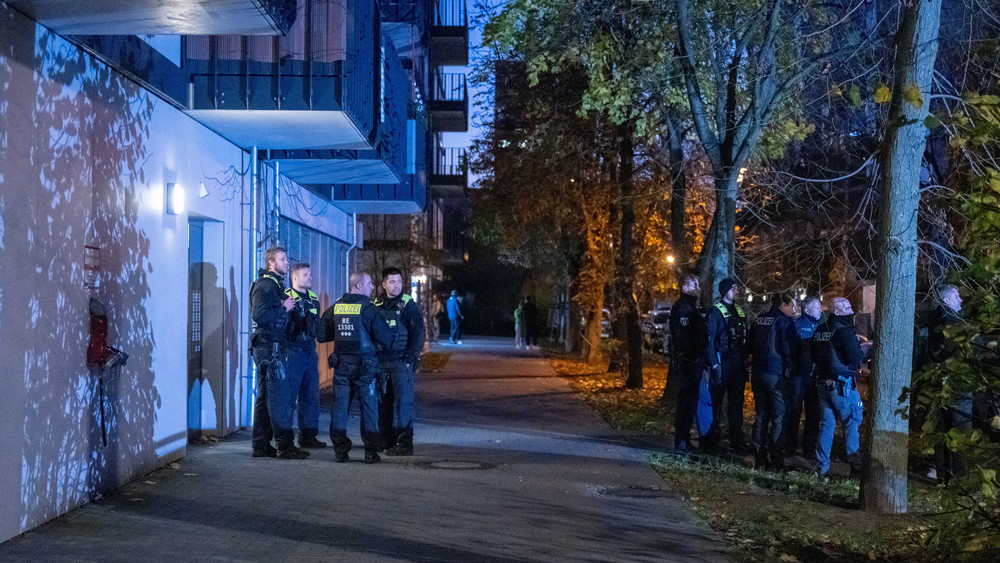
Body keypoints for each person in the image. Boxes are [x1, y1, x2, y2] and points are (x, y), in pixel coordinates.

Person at [319, 272, 394, 463]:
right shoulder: (369, 309)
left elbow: (321, 335)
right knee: (369, 408)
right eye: (369, 282)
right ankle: (370, 452)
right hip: (365, 367)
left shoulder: (336, 307)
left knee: (339, 407)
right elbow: (387, 339)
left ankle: (340, 451)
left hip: (342, 366)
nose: (372, 286)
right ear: (359, 286)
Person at [250, 246, 308, 459]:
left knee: (266, 399)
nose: (286, 262)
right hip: (269, 348)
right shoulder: (266, 285)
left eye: (286, 259)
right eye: (282, 259)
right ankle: (285, 446)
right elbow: (259, 315)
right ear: (271, 262)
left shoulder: (274, 285)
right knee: (280, 398)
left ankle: (261, 445)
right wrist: (284, 307)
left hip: (270, 347)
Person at [374, 267, 426, 456]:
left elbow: (419, 331)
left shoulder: (408, 304)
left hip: (401, 361)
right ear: (384, 284)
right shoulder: (376, 304)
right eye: (393, 282)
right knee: (382, 403)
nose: (397, 285)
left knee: (403, 403)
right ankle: (385, 440)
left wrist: (412, 355)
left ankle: (404, 443)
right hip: (380, 362)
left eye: (399, 281)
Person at [811, 297, 864, 477]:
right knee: (852, 423)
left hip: (823, 385)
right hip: (843, 387)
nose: (851, 311)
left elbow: (814, 356)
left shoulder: (819, 330)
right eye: (848, 308)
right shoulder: (843, 332)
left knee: (826, 426)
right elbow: (855, 357)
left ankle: (821, 469)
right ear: (840, 312)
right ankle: (856, 468)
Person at [748, 293, 798, 470]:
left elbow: (749, 344)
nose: (794, 310)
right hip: (776, 374)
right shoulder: (783, 322)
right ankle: (777, 461)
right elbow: (788, 348)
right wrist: (792, 366)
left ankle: (759, 459)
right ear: (782, 305)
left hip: (758, 373)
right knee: (779, 417)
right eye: (792, 306)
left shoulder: (759, 319)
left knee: (761, 415)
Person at [927, 284, 970, 481]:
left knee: (941, 428)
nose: (960, 300)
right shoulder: (955, 324)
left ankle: (943, 474)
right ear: (946, 301)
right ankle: (961, 478)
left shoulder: (932, 323)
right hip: (959, 385)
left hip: (939, 384)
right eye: (956, 296)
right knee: (960, 429)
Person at [703, 278, 749, 454]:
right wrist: (714, 364)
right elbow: (709, 340)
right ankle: (711, 440)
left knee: (737, 404)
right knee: (716, 403)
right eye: (734, 288)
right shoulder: (716, 312)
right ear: (725, 291)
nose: (737, 290)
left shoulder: (738, 310)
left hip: (737, 364)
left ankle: (736, 440)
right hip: (722, 363)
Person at [669, 274, 712, 454]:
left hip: (693, 362)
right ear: (685, 288)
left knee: (691, 402)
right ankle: (681, 441)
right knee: (686, 404)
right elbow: (683, 338)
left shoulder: (690, 308)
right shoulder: (683, 309)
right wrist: (693, 357)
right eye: (695, 285)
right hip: (689, 363)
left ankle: (685, 439)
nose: (699, 288)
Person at [284, 263, 326, 449]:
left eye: (310, 274)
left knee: (310, 396)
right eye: (306, 275)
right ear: (294, 278)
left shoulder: (312, 297)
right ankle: (284, 438)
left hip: (310, 351)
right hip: (293, 351)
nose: (310, 278)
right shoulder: (286, 296)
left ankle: (308, 437)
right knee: (288, 396)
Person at [784, 296, 823, 459]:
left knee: (813, 415)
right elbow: (788, 350)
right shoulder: (797, 326)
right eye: (817, 307)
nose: (820, 310)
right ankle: (789, 446)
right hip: (798, 377)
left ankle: (809, 448)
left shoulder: (820, 327)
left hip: (814, 378)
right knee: (794, 413)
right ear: (807, 310)